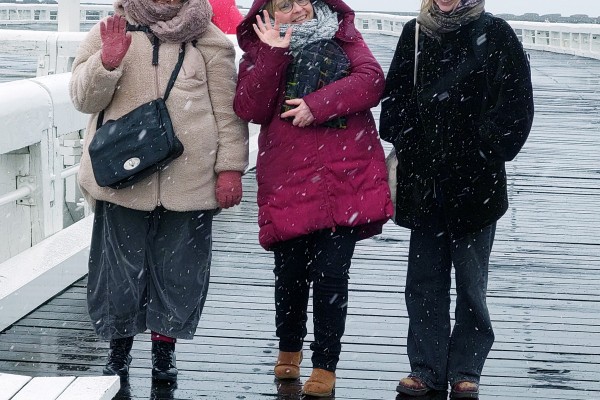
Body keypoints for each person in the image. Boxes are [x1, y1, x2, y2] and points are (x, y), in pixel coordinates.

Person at [69, 0, 248, 383]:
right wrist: (108, 63)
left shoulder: (210, 39)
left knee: (181, 270)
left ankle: (164, 351)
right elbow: (83, 100)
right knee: (117, 272)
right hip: (121, 179)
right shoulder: (110, 31)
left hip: (191, 177)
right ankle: (118, 351)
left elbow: (228, 112)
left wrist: (230, 168)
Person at [234, 0, 393, 396]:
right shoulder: (258, 52)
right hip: (288, 179)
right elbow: (250, 106)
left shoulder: (341, 34)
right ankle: (289, 350)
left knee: (331, 277)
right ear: (267, 14)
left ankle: (325, 365)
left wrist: (316, 105)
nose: (299, 9)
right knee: (289, 275)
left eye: (304, 0)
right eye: (286, 5)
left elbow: (372, 80)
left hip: (344, 179)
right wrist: (274, 52)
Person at [380, 0, 534, 398]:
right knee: (423, 282)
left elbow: (516, 107)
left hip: (476, 185)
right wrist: (414, 145)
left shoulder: (496, 34)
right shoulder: (414, 34)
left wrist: (481, 150)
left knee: (470, 285)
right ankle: (426, 368)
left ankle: (466, 368)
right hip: (423, 182)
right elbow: (393, 103)